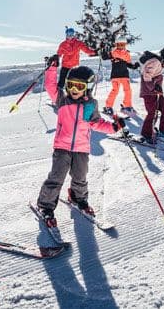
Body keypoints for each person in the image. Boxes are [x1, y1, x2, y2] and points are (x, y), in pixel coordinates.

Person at [36, 54, 125, 226]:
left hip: (82, 148)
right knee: (56, 177)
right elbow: (50, 85)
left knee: (80, 176)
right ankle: (45, 206)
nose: (74, 90)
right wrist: (52, 67)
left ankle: (78, 199)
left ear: (88, 87)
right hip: (62, 147)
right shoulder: (62, 100)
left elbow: (96, 123)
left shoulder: (90, 105)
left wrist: (114, 127)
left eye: (79, 86)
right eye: (71, 85)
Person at [138, 46, 164, 143]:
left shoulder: (159, 63)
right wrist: (153, 87)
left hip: (156, 94)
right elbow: (146, 75)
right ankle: (146, 135)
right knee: (152, 113)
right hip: (149, 93)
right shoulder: (155, 62)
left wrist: (157, 88)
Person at [103, 36, 139, 116]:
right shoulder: (113, 52)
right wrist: (104, 50)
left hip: (124, 75)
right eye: (119, 45)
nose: (121, 46)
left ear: (125, 45)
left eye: (123, 45)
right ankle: (108, 107)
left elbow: (128, 64)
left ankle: (127, 106)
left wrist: (134, 66)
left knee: (128, 90)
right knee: (115, 91)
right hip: (115, 75)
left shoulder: (127, 54)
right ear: (116, 44)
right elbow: (104, 57)